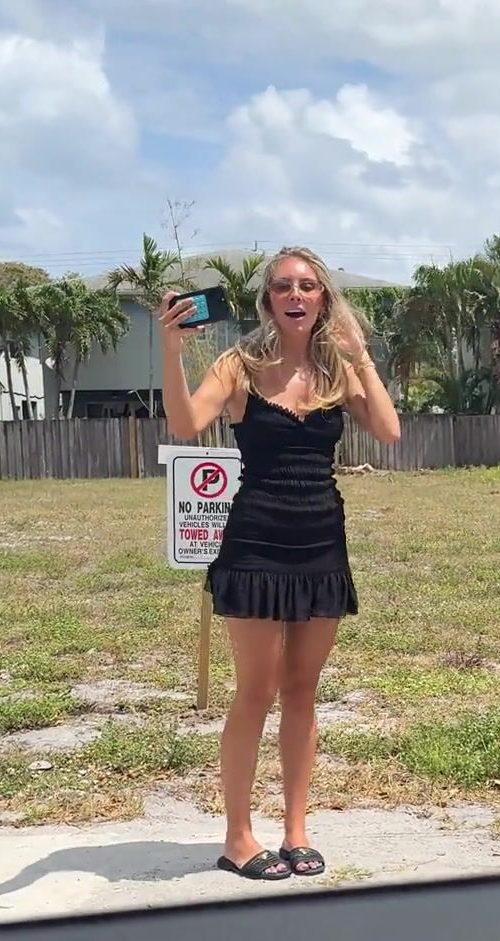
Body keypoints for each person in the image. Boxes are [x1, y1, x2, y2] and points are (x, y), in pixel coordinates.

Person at [159, 247, 401, 881]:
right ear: (268, 299)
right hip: (256, 545)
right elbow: (186, 423)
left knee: (301, 691)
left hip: (320, 543)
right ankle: (238, 838)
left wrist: (360, 354)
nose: (296, 295)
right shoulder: (239, 365)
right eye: (284, 286)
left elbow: (388, 430)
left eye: (309, 286)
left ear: (323, 298)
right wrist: (170, 349)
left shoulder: (336, 371)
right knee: (255, 692)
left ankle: (296, 830)